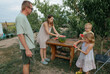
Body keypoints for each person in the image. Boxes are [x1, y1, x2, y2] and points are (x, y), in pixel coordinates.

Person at [15, 1, 35, 74]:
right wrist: (27, 49)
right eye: (31, 9)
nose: (32, 10)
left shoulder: (24, 17)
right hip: (27, 47)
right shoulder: (20, 17)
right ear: (26, 8)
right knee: (26, 64)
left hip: (29, 46)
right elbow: (20, 34)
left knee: (28, 63)